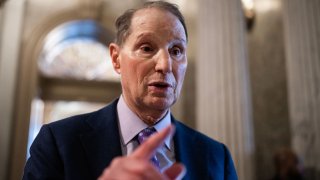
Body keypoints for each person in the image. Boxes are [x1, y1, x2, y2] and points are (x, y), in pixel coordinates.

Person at [23, 1, 238, 180]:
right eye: (147, 48)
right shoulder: (58, 143)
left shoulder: (217, 158)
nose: (165, 65)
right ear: (116, 59)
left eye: (176, 50)